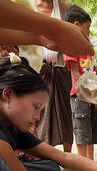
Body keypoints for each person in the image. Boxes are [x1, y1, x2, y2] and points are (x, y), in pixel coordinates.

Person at [33, 0, 74, 153]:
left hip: (59, 69)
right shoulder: (28, 5)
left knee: (64, 113)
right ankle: (39, 153)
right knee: (37, 112)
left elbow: (72, 34)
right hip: (36, 69)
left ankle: (67, 155)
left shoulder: (64, 6)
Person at [64, 5, 97, 160]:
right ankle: (85, 166)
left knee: (91, 133)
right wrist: (91, 96)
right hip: (80, 96)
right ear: (76, 25)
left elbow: (93, 75)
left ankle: (91, 164)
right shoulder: (71, 47)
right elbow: (76, 75)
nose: (89, 32)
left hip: (91, 96)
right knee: (81, 132)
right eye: (88, 27)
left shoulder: (87, 49)